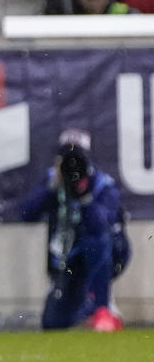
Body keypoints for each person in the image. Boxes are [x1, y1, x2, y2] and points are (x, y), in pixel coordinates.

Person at [21, 131, 129, 332]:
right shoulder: (52, 181)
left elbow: (102, 226)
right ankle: (86, 305)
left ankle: (102, 306)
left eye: (76, 160)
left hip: (108, 256)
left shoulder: (102, 185)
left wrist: (84, 195)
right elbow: (26, 214)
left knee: (96, 241)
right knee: (53, 323)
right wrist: (51, 189)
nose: (73, 168)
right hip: (70, 260)